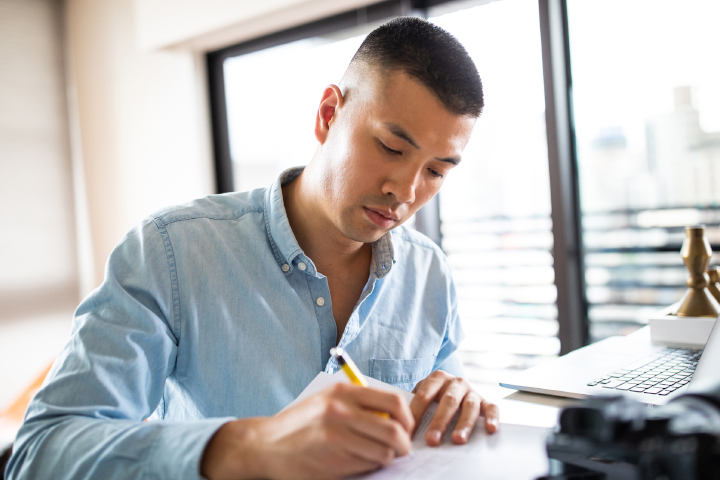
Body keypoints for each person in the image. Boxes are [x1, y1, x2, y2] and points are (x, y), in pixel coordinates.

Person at [6, 16, 499, 480]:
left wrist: (457, 405)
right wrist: (251, 445)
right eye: (392, 148)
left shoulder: (430, 273)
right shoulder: (169, 254)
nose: (406, 191)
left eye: (436, 171)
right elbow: (39, 453)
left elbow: (438, 426)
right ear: (329, 115)